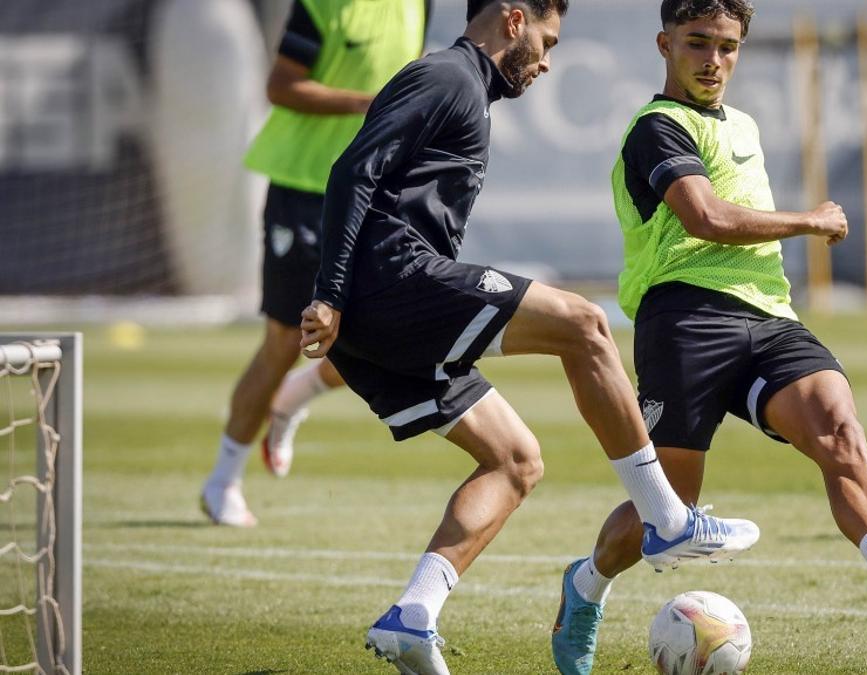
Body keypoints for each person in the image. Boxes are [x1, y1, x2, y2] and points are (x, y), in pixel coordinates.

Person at [296, 1, 761, 672]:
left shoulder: (468, 92)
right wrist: (330, 293)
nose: (545, 61)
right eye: (547, 40)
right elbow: (352, 171)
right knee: (586, 324)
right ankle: (665, 517)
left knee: (515, 461)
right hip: (390, 282)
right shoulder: (446, 76)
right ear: (514, 21)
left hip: (382, 314)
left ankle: (412, 616)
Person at [549, 2, 867, 672]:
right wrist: (810, 220)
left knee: (838, 425)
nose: (712, 61)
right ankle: (585, 585)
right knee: (671, 507)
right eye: (697, 43)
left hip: (769, 315)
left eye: (726, 47)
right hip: (683, 315)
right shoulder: (657, 127)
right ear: (664, 43)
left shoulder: (743, 124)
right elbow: (706, 217)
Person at [201, 0, 432, 527]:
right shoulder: (322, 5)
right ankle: (222, 481)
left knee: (386, 332)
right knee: (286, 340)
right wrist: (369, 103)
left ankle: (294, 397)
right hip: (304, 190)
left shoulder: (419, 3)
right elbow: (281, 86)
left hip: (373, 192)